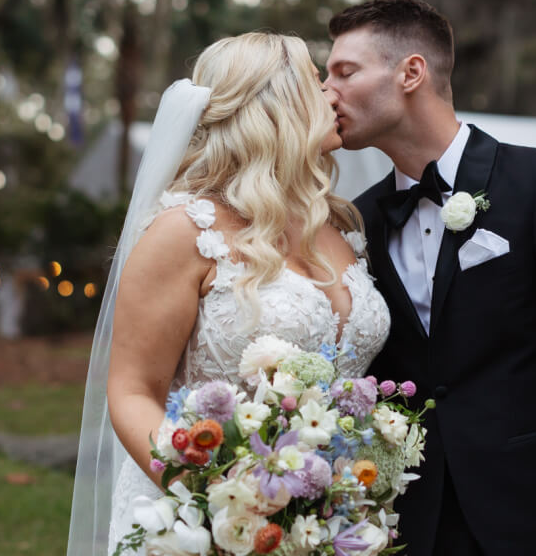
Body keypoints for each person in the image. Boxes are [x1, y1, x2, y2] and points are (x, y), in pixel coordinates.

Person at [324, 0, 536, 556]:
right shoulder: (356, 220)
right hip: (407, 522)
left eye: (344, 72)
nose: (327, 91)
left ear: (411, 73)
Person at [66, 32, 391, 555]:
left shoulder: (339, 225)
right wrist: (216, 498)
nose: (333, 93)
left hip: (330, 521)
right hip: (204, 521)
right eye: (316, 80)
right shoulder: (185, 230)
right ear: (273, 104)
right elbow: (131, 393)